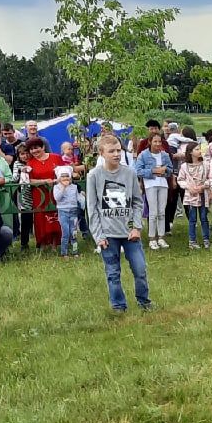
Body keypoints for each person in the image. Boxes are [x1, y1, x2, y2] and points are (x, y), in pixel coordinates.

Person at [86, 134, 152, 314]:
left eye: (119, 150)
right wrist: (98, 236)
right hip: (108, 234)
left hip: (130, 233)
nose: (116, 154)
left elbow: (137, 202)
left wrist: (136, 227)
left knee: (140, 270)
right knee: (113, 273)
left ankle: (144, 301)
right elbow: (92, 208)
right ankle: (118, 306)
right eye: (111, 151)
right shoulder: (94, 175)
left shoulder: (129, 173)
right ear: (101, 153)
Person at [22, 137, 62, 251]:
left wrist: (56, 181)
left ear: (43, 147)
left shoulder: (56, 158)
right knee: (40, 219)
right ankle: (43, 244)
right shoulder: (30, 163)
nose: (34, 151)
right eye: (31, 149)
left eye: (36, 148)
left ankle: (55, 244)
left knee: (55, 216)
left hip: (56, 193)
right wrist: (44, 181)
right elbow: (29, 180)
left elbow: (64, 173)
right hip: (39, 195)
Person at [135, 132, 174, 250]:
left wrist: (165, 170)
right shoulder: (143, 155)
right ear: (150, 142)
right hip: (150, 184)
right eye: (155, 141)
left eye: (159, 141)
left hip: (163, 184)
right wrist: (154, 171)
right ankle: (152, 238)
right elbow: (138, 170)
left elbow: (170, 169)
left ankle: (161, 237)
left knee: (162, 211)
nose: (157, 144)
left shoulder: (165, 155)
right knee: (153, 212)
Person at [178, 143, 211, 248]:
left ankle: (206, 239)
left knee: (204, 217)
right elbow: (180, 180)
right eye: (197, 149)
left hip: (202, 194)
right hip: (191, 195)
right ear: (191, 152)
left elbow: (211, 178)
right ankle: (192, 241)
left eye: (200, 149)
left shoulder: (205, 165)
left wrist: (203, 186)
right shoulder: (184, 166)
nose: (199, 151)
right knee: (192, 219)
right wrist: (188, 187)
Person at [53, 165, 83, 255]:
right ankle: (64, 253)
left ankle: (75, 252)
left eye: (67, 176)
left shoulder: (74, 187)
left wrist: (82, 198)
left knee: (73, 233)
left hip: (73, 212)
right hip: (63, 212)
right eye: (62, 176)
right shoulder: (57, 187)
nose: (65, 178)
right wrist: (63, 188)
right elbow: (57, 198)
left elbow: (78, 197)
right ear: (59, 178)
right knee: (65, 233)